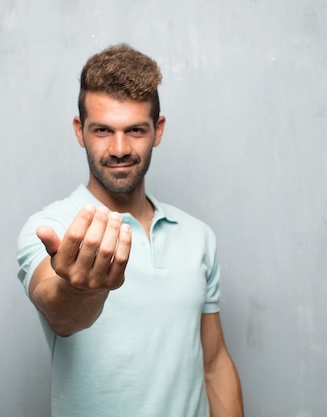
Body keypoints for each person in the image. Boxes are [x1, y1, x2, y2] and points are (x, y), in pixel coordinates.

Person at [16, 44, 244, 417]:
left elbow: (214, 363)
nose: (119, 148)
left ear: (158, 130)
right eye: (102, 130)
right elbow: (61, 315)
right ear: (80, 131)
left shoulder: (198, 237)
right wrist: (77, 287)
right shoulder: (52, 227)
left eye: (135, 130)